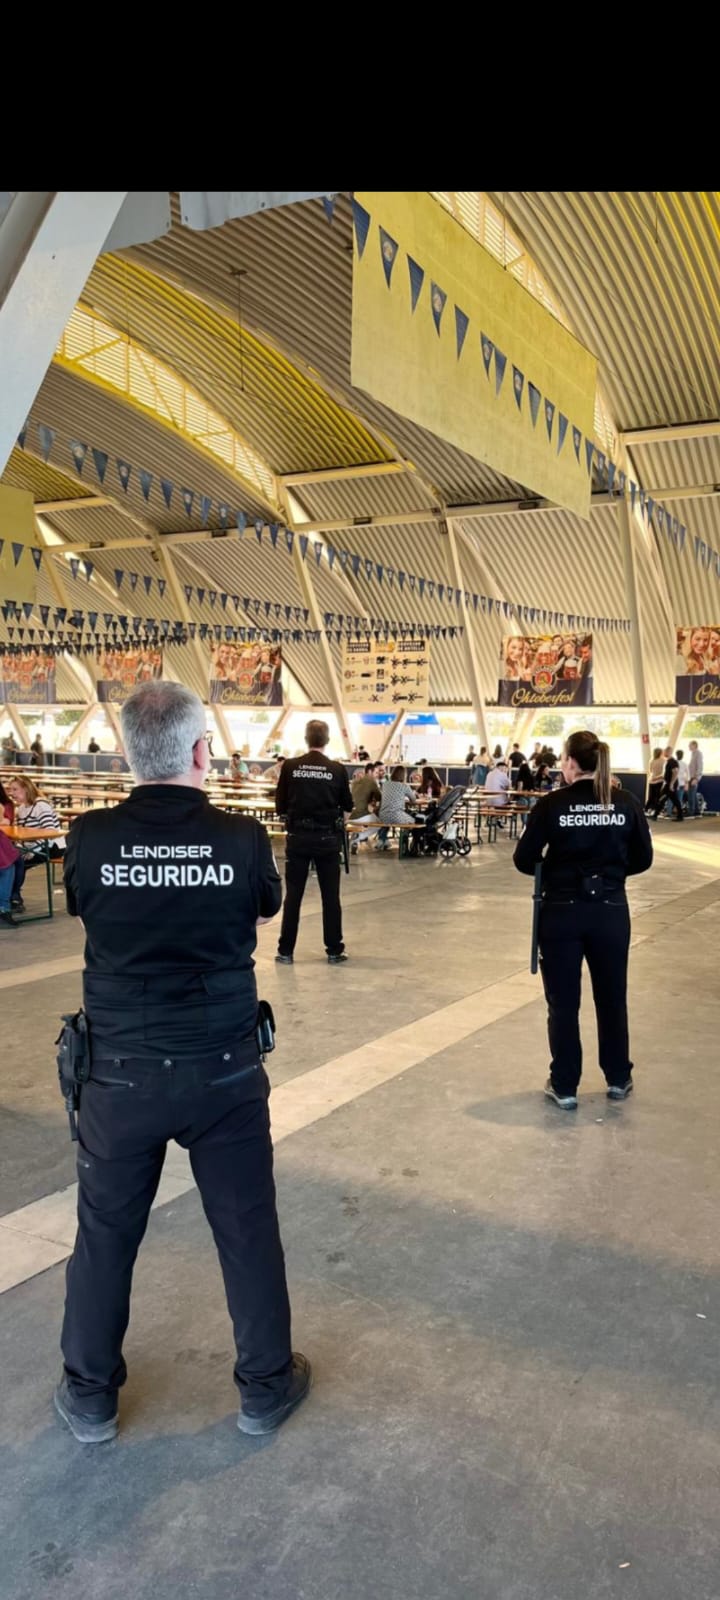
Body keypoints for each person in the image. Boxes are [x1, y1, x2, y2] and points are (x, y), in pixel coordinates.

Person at [55, 679, 309, 1444]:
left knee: (104, 1232)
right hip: (224, 1071)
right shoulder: (239, 839)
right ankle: (264, 1387)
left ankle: (90, 1395)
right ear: (201, 751)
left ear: (131, 755)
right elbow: (264, 906)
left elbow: (82, 905)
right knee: (246, 1226)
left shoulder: (91, 838)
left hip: (120, 1074)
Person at [514, 730, 653, 1110]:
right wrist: (611, 873)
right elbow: (643, 858)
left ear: (572, 763)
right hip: (610, 911)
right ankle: (618, 1078)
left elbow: (524, 859)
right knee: (611, 997)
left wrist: (555, 867)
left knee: (563, 1002)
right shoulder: (624, 802)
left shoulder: (552, 805)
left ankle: (565, 1085)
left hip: (561, 913)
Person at [275, 721, 353, 964]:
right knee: (330, 896)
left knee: (294, 895)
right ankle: (334, 950)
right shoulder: (337, 769)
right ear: (327, 740)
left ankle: (285, 950)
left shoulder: (290, 766)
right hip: (327, 839)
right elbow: (348, 808)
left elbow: (280, 806)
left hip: (298, 837)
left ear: (306, 739)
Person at [7, 775, 65, 910]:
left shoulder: (41, 805)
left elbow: (49, 832)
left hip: (53, 845)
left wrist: (33, 852)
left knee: (18, 863)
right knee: (12, 860)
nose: (11, 793)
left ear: (26, 789)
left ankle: (14, 898)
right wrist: (23, 847)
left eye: (15, 789)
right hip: (35, 845)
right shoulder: (21, 808)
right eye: (10, 790)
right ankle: (12, 896)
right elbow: (21, 833)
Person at [377, 765, 419, 838]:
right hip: (396, 816)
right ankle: (404, 842)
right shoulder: (404, 786)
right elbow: (414, 800)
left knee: (397, 817)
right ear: (404, 775)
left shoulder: (385, 784)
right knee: (414, 822)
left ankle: (383, 840)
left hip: (382, 816)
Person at [349, 762, 382, 851]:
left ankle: (355, 840)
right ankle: (358, 837)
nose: (377, 775)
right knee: (379, 823)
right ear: (370, 771)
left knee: (365, 816)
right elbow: (380, 797)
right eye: (375, 772)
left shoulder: (355, 781)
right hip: (361, 815)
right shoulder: (371, 781)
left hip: (349, 815)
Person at [652, 746, 683, 821]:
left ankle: (655, 815)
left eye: (665, 752)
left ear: (669, 752)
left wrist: (671, 784)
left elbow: (675, 773)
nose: (663, 753)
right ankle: (680, 816)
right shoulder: (668, 762)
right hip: (668, 784)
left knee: (662, 799)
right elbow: (666, 775)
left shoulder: (673, 762)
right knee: (674, 800)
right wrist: (657, 778)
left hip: (670, 785)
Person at [645, 748, 664, 814]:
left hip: (651, 780)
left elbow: (650, 770)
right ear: (661, 753)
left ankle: (646, 808)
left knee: (651, 796)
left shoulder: (651, 760)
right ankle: (656, 810)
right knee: (657, 796)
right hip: (659, 780)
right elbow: (664, 772)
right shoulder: (663, 761)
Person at [687, 740, 704, 816]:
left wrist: (696, 778)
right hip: (691, 777)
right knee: (693, 795)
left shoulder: (698, 754)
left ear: (694, 745)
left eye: (690, 745)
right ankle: (697, 811)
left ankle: (691, 812)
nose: (688, 746)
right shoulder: (693, 754)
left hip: (694, 777)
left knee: (691, 795)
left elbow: (700, 767)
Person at [674, 749, 689, 814]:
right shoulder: (684, 764)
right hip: (681, 784)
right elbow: (687, 775)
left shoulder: (673, 763)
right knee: (679, 799)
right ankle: (678, 812)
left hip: (674, 783)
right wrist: (687, 784)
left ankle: (669, 812)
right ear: (682, 756)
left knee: (671, 799)